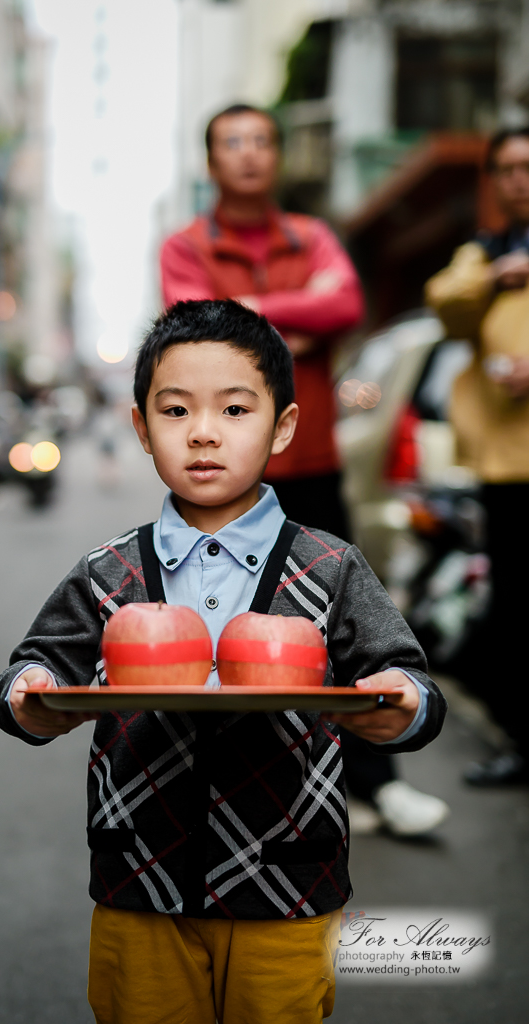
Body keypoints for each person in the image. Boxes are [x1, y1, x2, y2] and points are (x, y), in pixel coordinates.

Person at [0, 300, 447, 1024]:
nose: (203, 432)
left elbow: (405, 677)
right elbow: (37, 665)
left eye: (235, 410)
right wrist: (31, 693)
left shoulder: (329, 567)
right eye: (175, 412)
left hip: (287, 886)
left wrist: (399, 704)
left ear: (284, 426)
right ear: (140, 428)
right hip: (138, 882)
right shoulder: (107, 572)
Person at [161, 103, 448, 836]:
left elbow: (344, 303)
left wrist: (248, 312)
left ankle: (376, 784)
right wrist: (289, 326)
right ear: (211, 160)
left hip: (311, 457)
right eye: (233, 142)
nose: (249, 154)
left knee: (343, 623)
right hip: (225, 471)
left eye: (261, 140)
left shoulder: (313, 236)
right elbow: (193, 326)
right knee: (219, 624)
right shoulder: (186, 245)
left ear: (277, 156)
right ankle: (219, 782)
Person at [426, 126, 529, 786]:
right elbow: (445, 303)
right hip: (506, 465)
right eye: (508, 168)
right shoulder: (485, 253)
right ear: (493, 181)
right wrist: (496, 273)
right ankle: (521, 744)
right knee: (515, 608)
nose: (519, 178)